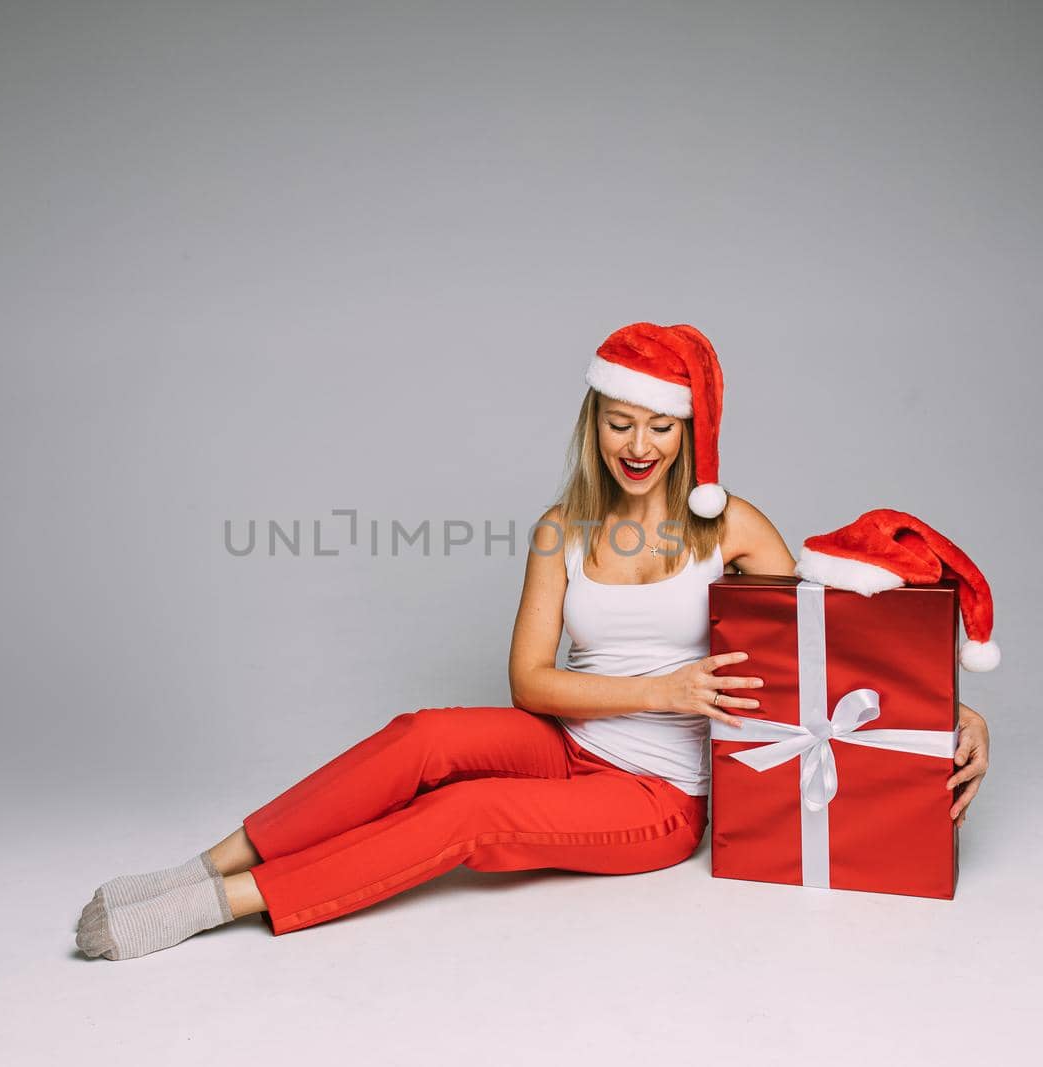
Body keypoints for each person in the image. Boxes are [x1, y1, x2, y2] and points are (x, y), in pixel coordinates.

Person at [74, 322, 993, 960]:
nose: (639, 444)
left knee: (469, 816)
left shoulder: (737, 529)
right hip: (566, 740)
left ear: (690, 434)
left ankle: (218, 905)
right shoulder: (562, 528)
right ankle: (203, 861)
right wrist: (661, 689)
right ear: (594, 423)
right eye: (621, 420)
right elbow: (530, 683)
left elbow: (825, 655)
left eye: (661, 424)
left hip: (664, 797)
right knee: (423, 735)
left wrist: (951, 711)